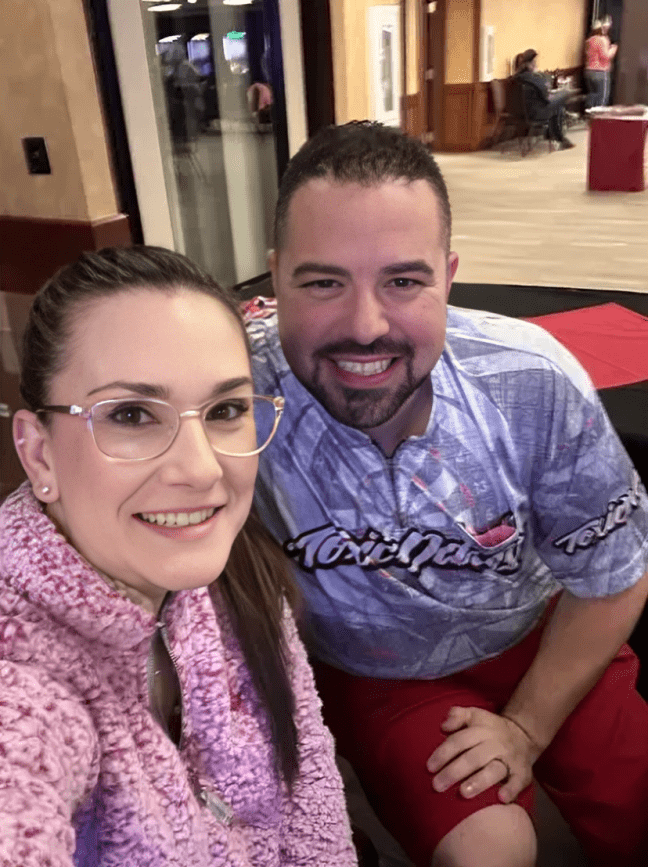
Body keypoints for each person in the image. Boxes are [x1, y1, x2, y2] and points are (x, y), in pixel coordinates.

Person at [245, 121, 648, 867]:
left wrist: (526, 724)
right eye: (323, 281)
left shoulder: (531, 384)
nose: (365, 326)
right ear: (274, 279)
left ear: (449, 274)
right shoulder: (231, 393)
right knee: (491, 851)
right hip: (380, 669)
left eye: (403, 280)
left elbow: (615, 578)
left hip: (541, 628)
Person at [0, 246, 357, 867]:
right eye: (132, 415)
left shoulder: (240, 573)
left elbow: (310, 788)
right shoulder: (25, 685)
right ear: (38, 455)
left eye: (225, 410)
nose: (199, 469)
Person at [513, 49, 575, 149]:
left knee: (557, 106)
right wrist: (537, 74)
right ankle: (557, 137)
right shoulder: (532, 78)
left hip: (521, 114)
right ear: (529, 64)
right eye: (534, 62)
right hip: (536, 113)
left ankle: (556, 136)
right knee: (564, 93)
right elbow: (546, 97)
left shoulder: (516, 79)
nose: (535, 64)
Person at [584, 17, 618, 108]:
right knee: (602, 99)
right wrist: (614, 48)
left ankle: (588, 117)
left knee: (592, 96)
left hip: (589, 72)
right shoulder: (603, 39)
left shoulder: (589, 40)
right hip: (601, 72)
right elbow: (605, 57)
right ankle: (598, 119)